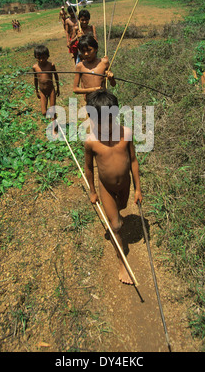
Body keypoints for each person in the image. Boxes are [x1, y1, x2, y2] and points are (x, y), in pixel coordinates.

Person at [84, 89, 143, 284]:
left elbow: (133, 160)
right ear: (91, 120)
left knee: (123, 208)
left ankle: (116, 214)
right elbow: (89, 169)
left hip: (125, 184)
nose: (106, 126)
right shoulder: (91, 142)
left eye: (110, 120)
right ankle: (122, 264)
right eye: (100, 122)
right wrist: (92, 191)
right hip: (106, 187)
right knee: (116, 225)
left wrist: (138, 188)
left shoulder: (125, 134)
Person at [73, 35, 116, 101]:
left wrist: (111, 78)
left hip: (103, 100)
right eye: (83, 51)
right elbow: (75, 89)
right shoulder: (80, 66)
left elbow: (113, 84)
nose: (86, 54)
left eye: (89, 50)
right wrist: (93, 90)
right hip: (90, 101)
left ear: (96, 49)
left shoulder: (104, 62)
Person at [32, 45, 60, 131]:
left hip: (51, 90)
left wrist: (58, 88)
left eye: (43, 58)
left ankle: (55, 128)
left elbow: (56, 76)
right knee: (44, 112)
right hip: (42, 91)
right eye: (39, 58)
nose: (41, 60)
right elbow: (35, 79)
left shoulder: (51, 65)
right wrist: (36, 90)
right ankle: (53, 115)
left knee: (52, 108)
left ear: (47, 56)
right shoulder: (35, 67)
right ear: (35, 57)